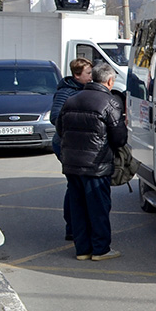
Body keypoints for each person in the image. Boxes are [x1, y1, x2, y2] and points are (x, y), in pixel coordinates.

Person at [57, 63, 127, 261]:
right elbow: (119, 138)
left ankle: (82, 250)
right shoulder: (110, 102)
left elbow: (60, 129)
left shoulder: (71, 100)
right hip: (97, 165)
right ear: (110, 81)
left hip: (72, 164)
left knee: (78, 207)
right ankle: (100, 249)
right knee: (98, 208)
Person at [51, 58, 92, 241]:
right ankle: (72, 226)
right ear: (77, 75)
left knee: (77, 186)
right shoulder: (66, 92)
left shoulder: (85, 89)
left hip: (77, 144)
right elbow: (55, 117)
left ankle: (78, 225)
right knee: (75, 185)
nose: (91, 77)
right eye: (88, 73)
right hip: (66, 144)